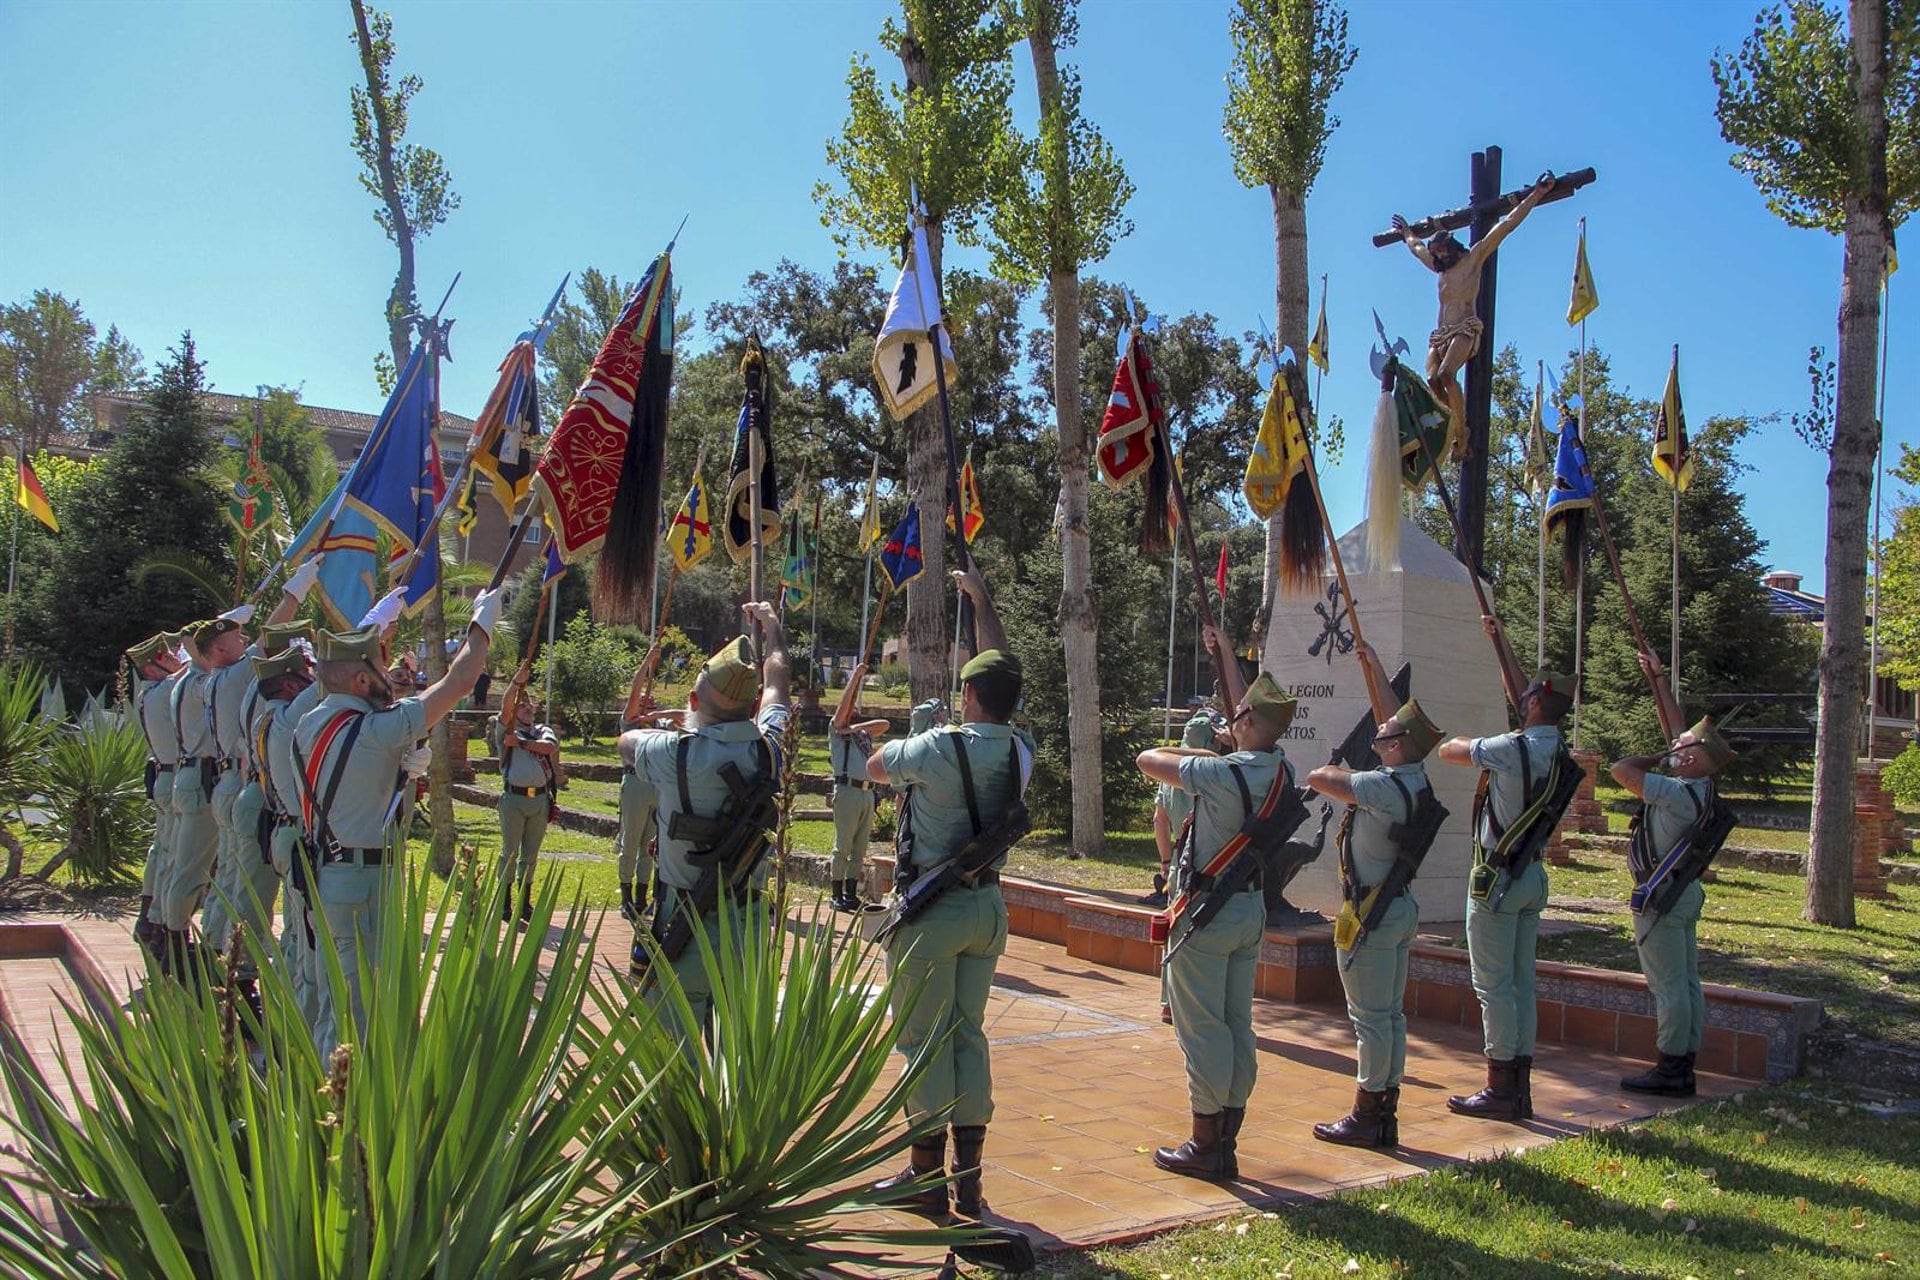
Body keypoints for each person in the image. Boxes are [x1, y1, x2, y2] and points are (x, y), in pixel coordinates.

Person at [867, 567, 1030, 1222]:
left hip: (930, 912)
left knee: (921, 1041)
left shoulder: (936, 745)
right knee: (967, 1038)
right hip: (987, 909)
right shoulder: (1023, 749)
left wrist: (915, 735)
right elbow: (1004, 668)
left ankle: (926, 1179)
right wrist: (982, 604)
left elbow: (879, 768)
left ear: (967, 695)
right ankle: (971, 1183)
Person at [295, 587, 499, 1058]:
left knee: (335, 998)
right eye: (380, 671)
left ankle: (325, 1101)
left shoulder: (307, 722)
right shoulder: (376, 730)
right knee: (360, 1011)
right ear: (362, 682)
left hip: (325, 870)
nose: (389, 676)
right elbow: (459, 682)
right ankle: (348, 1112)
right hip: (364, 879)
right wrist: (481, 627)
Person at [1135, 622, 1295, 1182]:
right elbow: (1246, 712)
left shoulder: (1218, 772)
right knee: (1235, 1025)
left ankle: (1206, 1143)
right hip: (1247, 908)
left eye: (1240, 715)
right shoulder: (1281, 769)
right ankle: (1227, 1133)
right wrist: (1226, 653)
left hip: (1205, 915)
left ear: (1247, 723)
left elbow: (1148, 760)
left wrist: (1205, 743)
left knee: (1201, 1028)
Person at [1434, 614, 1575, 1122]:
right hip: (1531, 874)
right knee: (1519, 983)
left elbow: (1450, 750)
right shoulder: (1557, 747)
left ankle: (1500, 1084)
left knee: (1493, 986)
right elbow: (1525, 697)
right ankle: (1519, 1084)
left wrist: (1472, 736)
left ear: (1535, 702)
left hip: (1495, 878)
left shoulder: (1511, 749)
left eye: (1526, 698)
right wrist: (1501, 644)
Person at [1304, 639, 1444, 1149]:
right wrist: (1375, 668)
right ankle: (1383, 1107)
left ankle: (1368, 1111)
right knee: (1389, 1016)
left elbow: (1321, 778)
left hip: (1372, 913)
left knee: (1369, 1019)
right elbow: (1396, 722)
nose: (1378, 739)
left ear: (1398, 747)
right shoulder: (1413, 778)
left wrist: (1337, 764)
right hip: (1396, 907)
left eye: (1384, 738)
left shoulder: (1384, 787)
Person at [625, 602, 790, 1032]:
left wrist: (674, 725)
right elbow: (778, 682)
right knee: (734, 1066)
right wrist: (772, 627)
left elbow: (626, 739)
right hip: (748, 931)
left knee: (671, 1067)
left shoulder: (671, 752)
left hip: (685, 922)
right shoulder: (772, 748)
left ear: (695, 700)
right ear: (752, 705)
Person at [1611, 651, 1735, 1098]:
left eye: (1681, 748)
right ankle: (1684, 1058)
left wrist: (1658, 754)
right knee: (1686, 981)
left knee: (1668, 986)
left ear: (1690, 760)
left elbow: (1621, 769)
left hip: (1661, 895)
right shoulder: (1701, 785)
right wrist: (1659, 680)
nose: (1675, 747)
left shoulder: (1677, 792)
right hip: (1683, 891)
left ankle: (1670, 1065)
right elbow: (1679, 729)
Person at [1391, 175, 1554, 452]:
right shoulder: (1438, 267)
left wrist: (1536, 194)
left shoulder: (1472, 259)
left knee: (1445, 374)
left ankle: (1461, 433)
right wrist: (1406, 231)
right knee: (1432, 380)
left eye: (1442, 251)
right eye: (1437, 254)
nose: (1439, 257)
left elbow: (1506, 226)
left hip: (1465, 328)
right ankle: (1456, 420)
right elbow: (1416, 248)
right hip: (1440, 334)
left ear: (1451, 248)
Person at [250, 642, 324, 1026]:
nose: (312, 679)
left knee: (296, 933)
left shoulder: (265, 718)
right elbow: (334, 673)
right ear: (291, 686)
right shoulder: (286, 720)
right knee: (308, 943)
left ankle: (280, 1014)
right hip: (296, 837)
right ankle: (295, 1024)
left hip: (283, 832)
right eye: (305, 675)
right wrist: (372, 625)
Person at [126, 632, 185, 955]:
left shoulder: (153, 692)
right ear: (151, 667)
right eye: (167, 656)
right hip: (174, 776)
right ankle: (160, 922)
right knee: (172, 855)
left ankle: (149, 916)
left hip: (167, 776)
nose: (176, 657)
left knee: (162, 851)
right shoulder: (164, 690)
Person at [1140, 709, 1223, 910]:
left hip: (1179, 855)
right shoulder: (1214, 772)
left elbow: (1159, 820)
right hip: (1211, 857)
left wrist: (1166, 862)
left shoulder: (1169, 772)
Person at [497, 675, 561, 925]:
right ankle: (504, 902)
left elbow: (548, 748)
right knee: (509, 853)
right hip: (514, 798)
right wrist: (515, 684)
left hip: (539, 800)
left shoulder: (541, 731)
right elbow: (505, 706)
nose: (529, 708)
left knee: (530, 855)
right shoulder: (506, 728)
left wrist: (522, 742)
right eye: (523, 705)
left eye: (531, 705)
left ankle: (524, 903)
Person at [828, 661, 889, 912]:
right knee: (843, 845)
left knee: (859, 847)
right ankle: (836, 893)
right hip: (847, 791)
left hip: (866, 792)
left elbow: (884, 724)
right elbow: (842, 709)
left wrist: (856, 728)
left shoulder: (857, 733)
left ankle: (851, 892)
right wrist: (855, 678)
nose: (850, 709)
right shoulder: (835, 730)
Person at [615, 649, 666, 922]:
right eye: (643, 701)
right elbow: (634, 695)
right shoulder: (630, 724)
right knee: (630, 841)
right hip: (635, 783)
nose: (647, 703)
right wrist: (646, 664)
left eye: (651, 701)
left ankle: (641, 897)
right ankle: (625, 896)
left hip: (657, 786)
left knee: (650, 844)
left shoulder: (662, 725)